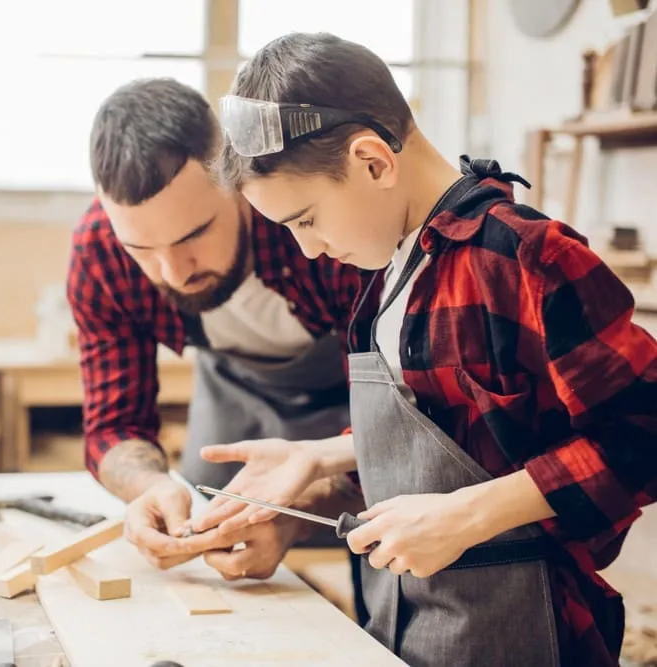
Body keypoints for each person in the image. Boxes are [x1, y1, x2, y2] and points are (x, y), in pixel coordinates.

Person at [198, 31, 657, 667]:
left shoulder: (526, 258)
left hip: (531, 629)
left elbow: (642, 435)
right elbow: (463, 439)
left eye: (305, 219)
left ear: (373, 162)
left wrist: (469, 516)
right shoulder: (392, 270)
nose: (307, 249)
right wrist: (323, 459)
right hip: (402, 623)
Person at [66, 77, 377, 578]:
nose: (175, 273)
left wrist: (296, 519)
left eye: (193, 235)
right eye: (142, 251)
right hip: (232, 392)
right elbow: (113, 424)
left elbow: (393, 434)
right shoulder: (100, 249)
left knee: (380, 530)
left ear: (236, 181)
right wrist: (150, 488)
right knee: (210, 528)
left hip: (358, 396)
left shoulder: (316, 226)